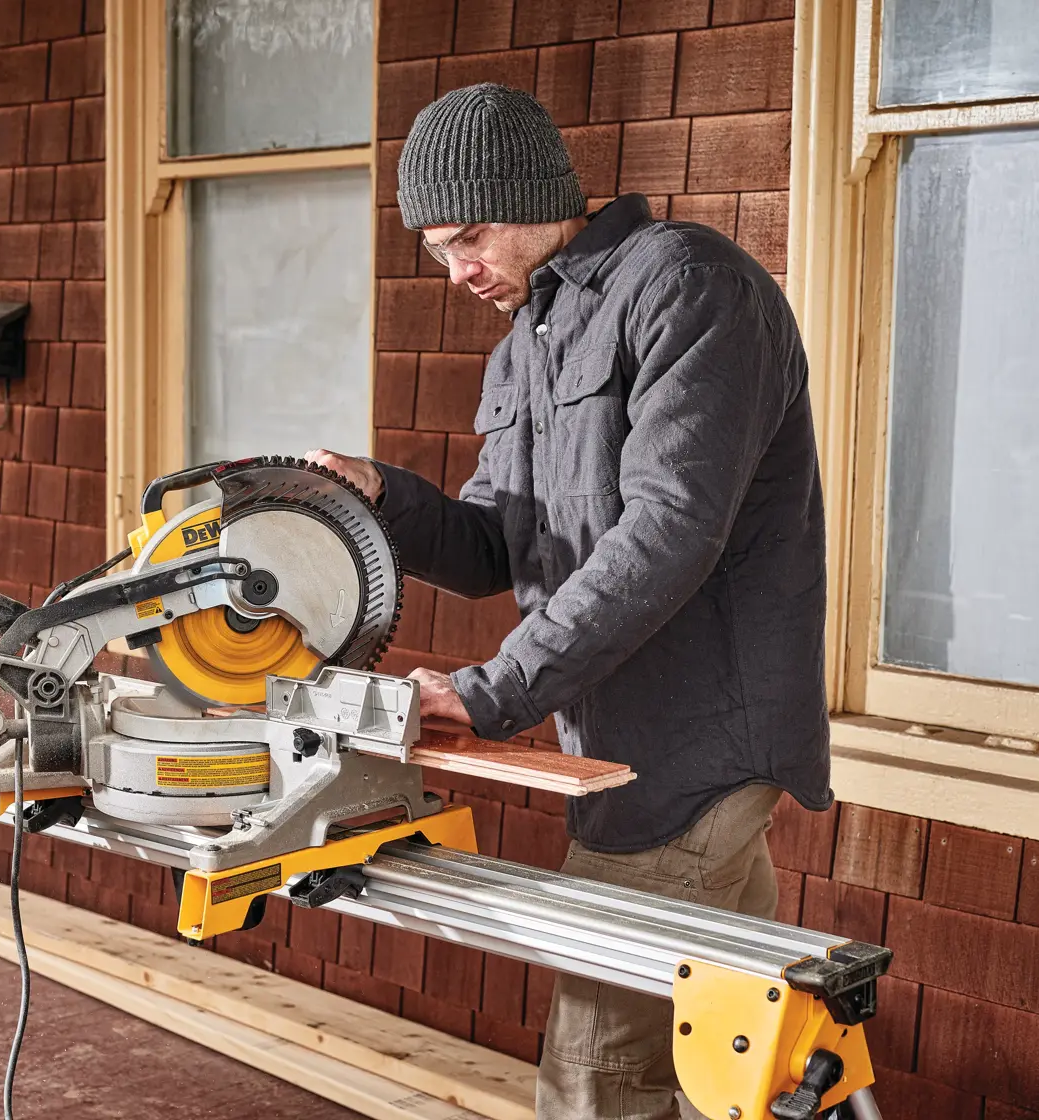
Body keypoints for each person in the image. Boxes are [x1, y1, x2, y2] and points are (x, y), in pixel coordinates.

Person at [307, 83, 831, 1120]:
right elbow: (499, 544)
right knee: (732, 1068)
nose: (456, 272)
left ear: (537, 194)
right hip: (626, 748)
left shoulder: (690, 289)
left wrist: (494, 691)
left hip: (693, 752)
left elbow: (671, 528)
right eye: (435, 250)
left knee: (597, 1079)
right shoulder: (532, 337)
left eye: (468, 238)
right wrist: (382, 499)